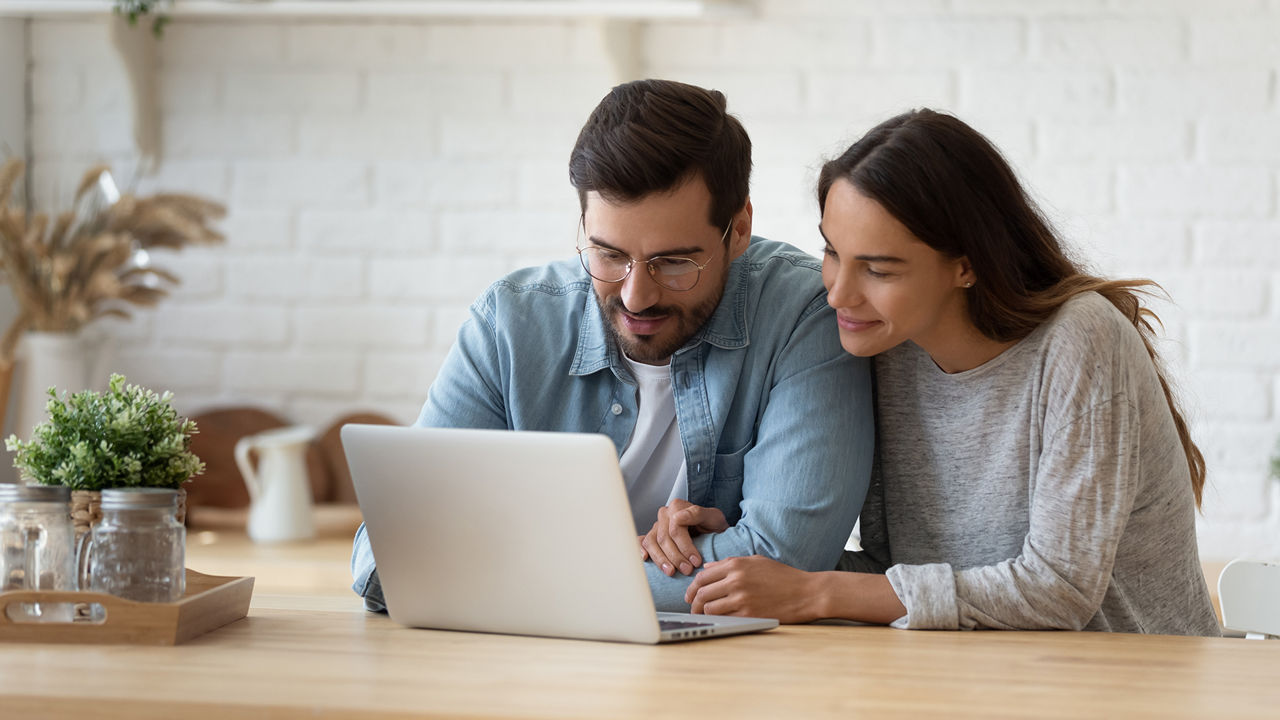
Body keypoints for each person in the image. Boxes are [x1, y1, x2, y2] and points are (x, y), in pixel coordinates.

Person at [683, 108, 1221, 636]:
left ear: (966, 264)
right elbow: (909, 583)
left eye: (878, 268)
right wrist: (748, 559)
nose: (838, 292)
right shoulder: (888, 347)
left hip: (1135, 683)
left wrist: (816, 591)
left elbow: (1059, 590)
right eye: (832, 251)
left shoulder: (1080, 340)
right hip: (980, 678)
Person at [350, 79, 874, 613]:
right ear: (582, 225)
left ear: (738, 229)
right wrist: (624, 563)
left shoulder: (804, 315)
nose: (636, 296)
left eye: (673, 263)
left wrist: (506, 572)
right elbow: (386, 557)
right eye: (608, 254)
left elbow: (787, 561)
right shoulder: (510, 324)